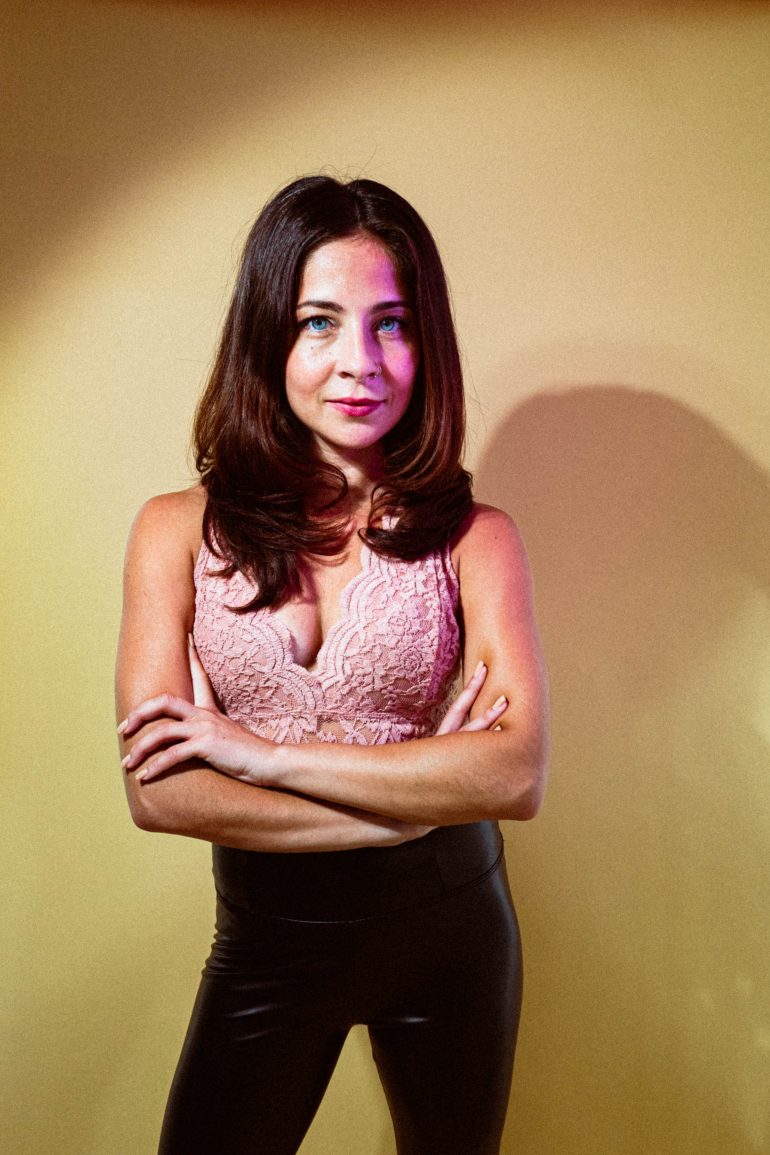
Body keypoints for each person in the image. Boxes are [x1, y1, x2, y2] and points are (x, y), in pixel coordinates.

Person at [115, 175, 550, 1155]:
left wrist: (261, 756)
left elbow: (515, 774)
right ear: (267, 335)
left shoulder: (477, 539)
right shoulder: (173, 532)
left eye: (391, 324)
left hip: (452, 937)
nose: (360, 361)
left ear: (426, 344)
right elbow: (160, 792)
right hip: (268, 941)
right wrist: (412, 806)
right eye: (319, 322)